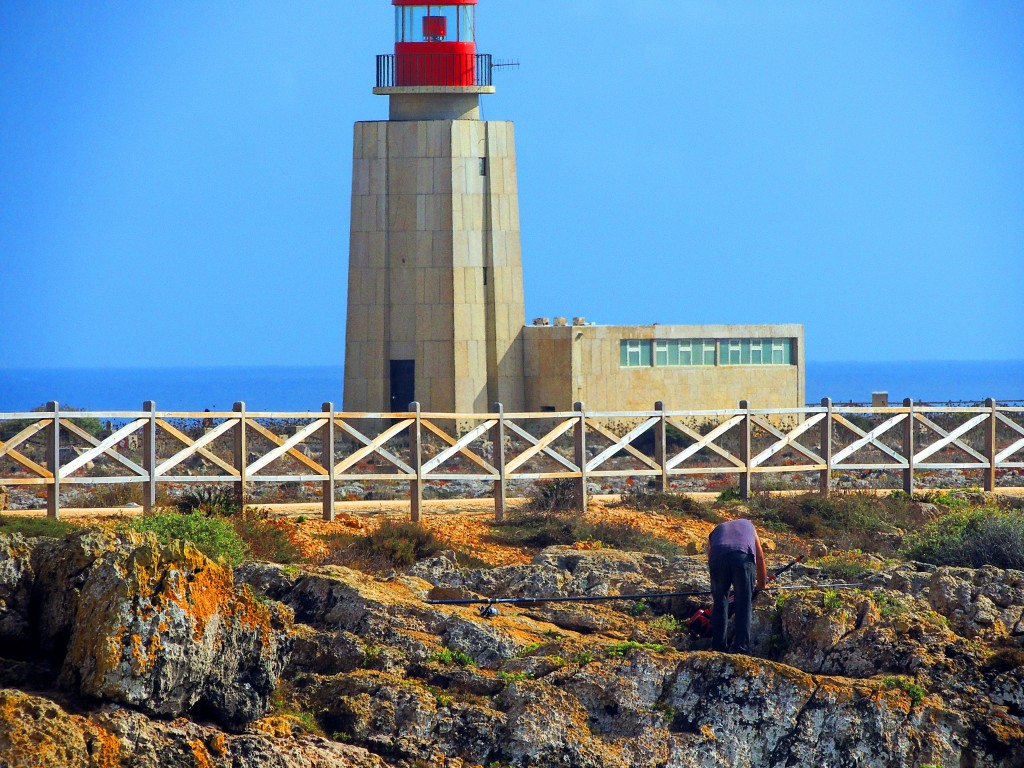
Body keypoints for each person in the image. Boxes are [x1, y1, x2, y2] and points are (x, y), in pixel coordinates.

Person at [707, 518, 768, 654]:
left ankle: (718, 647)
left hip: (717, 556)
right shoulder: (750, 526)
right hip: (742, 556)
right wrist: (761, 585)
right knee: (743, 602)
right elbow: (760, 557)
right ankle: (740, 648)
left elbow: (710, 556)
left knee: (719, 602)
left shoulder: (716, 530)